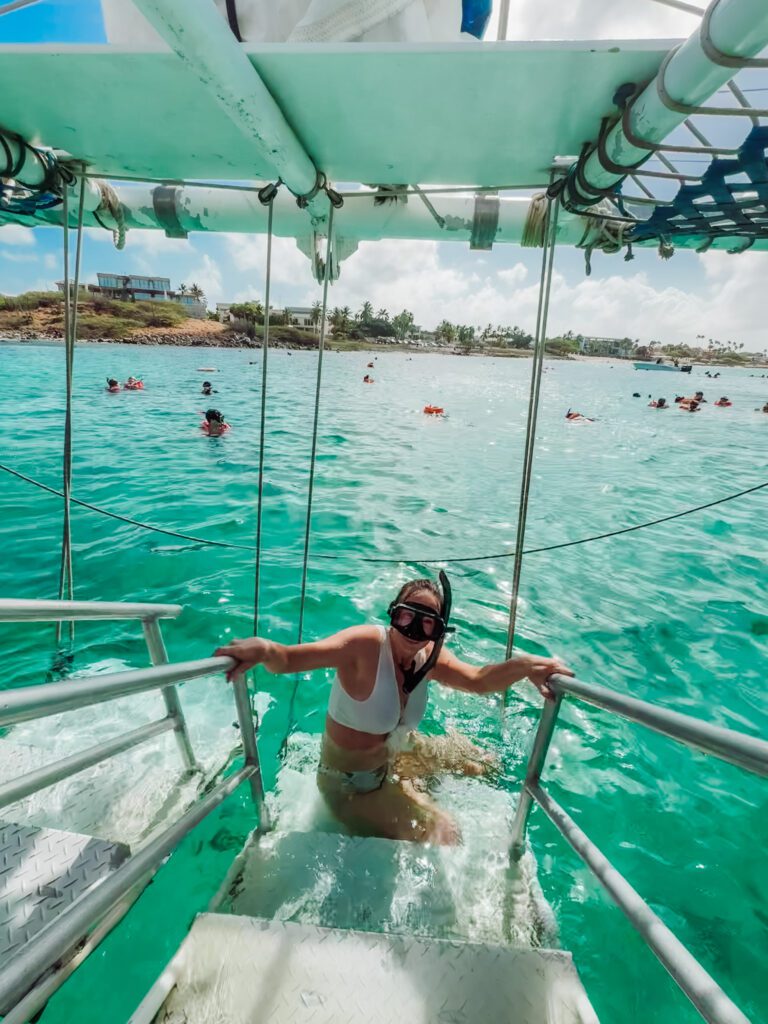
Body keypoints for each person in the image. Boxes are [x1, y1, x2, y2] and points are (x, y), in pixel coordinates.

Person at [214, 573, 571, 845]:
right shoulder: (364, 646)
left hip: (394, 758)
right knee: (444, 832)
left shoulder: (428, 659)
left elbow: (478, 680)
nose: (414, 630)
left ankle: (412, 786)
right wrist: (263, 649)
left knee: (483, 762)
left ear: (438, 630)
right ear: (393, 616)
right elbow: (292, 658)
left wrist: (525, 666)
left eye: (427, 622)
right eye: (407, 616)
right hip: (351, 787)